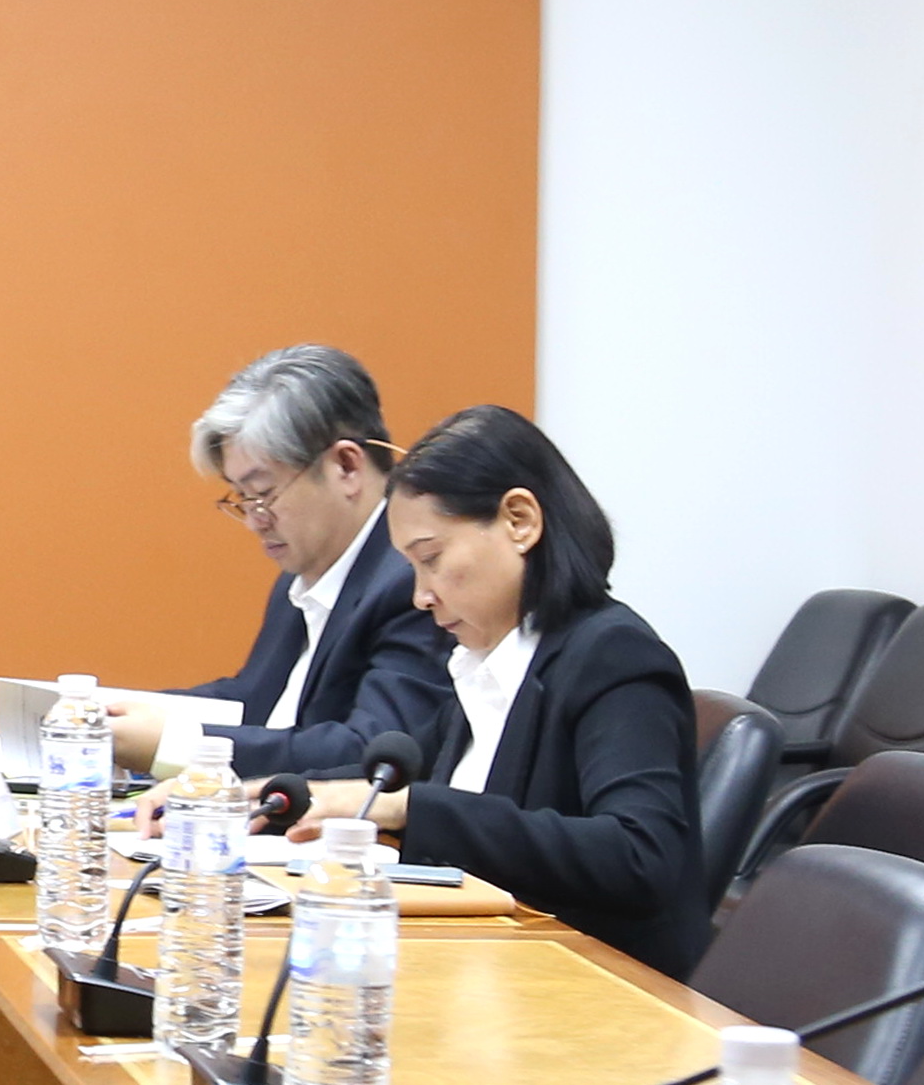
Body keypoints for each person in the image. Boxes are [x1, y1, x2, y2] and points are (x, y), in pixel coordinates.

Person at [304, 404, 710, 976]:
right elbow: (393, 778)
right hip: (487, 968)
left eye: (431, 559)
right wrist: (291, 795)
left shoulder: (614, 655)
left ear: (520, 521)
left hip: (591, 989)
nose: (420, 595)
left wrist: (409, 809)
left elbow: (638, 855)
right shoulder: (488, 663)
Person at [119, 344, 456, 779]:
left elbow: (371, 753)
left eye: (264, 493)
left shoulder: (414, 580)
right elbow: (255, 703)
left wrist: (177, 742)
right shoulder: (305, 573)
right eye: (242, 497)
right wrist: (122, 713)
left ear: (346, 466)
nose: (254, 520)